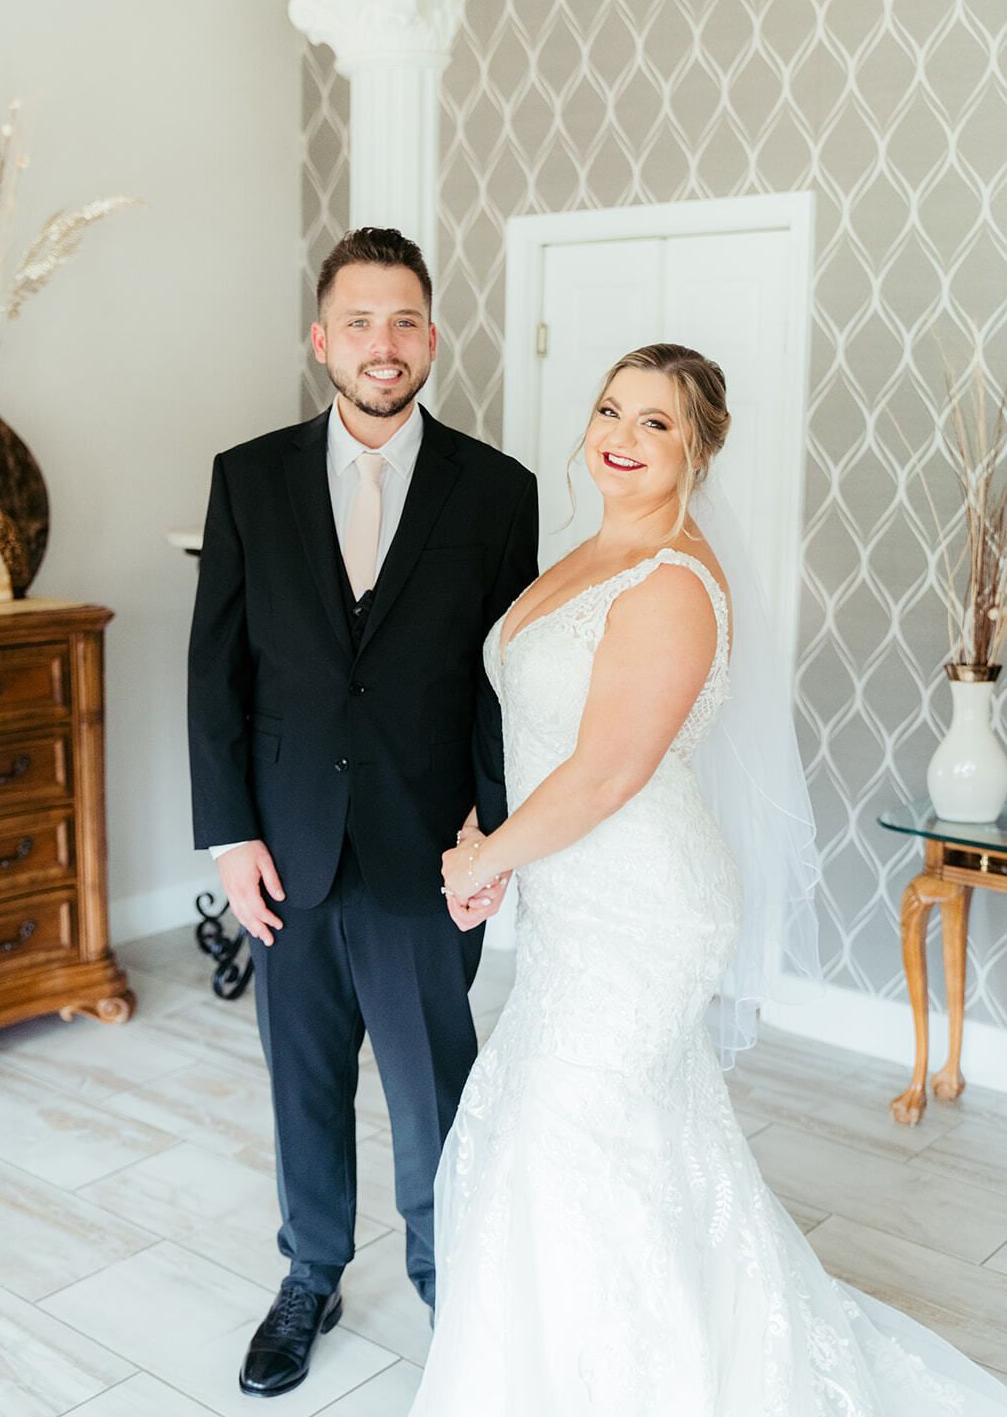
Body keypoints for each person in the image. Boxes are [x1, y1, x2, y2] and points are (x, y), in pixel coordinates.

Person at [411, 343, 1007, 1414]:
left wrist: (485, 857)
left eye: (655, 423)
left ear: (698, 449)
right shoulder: (574, 555)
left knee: (564, 1131)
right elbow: (528, 731)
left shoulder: (673, 582)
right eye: (610, 409)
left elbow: (605, 772)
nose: (621, 437)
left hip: (642, 903)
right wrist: (480, 830)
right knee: (605, 1136)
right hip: (567, 896)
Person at [186, 227, 538, 1399]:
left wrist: (492, 837)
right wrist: (232, 835)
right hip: (285, 849)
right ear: (319, 338)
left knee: (435, 1081)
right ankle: (311, 1274)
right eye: (358, 322)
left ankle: (448, 1273)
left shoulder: (497, 491)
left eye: (402, 322)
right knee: (300, 1077)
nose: (380, 345)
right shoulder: (247, 477)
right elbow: (216, 671)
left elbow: (502, 681)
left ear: (430, 337)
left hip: (428, 852)